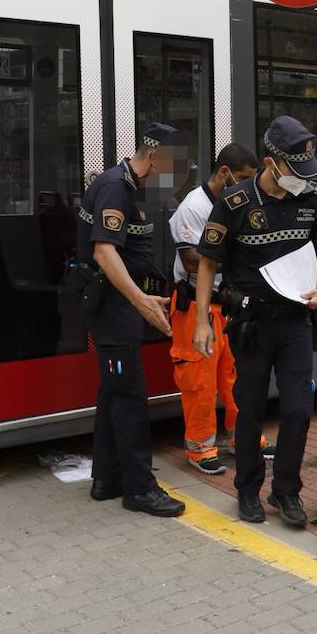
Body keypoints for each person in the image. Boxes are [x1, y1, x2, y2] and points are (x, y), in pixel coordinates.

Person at [192, 116, 317, 528]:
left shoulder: (312, 198)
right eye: (294, 170)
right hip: (251, 324)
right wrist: (202, 322)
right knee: (250, 410)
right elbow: (206, 263)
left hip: (296, 323)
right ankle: (248, 490)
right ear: (272, 163)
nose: (301, 179)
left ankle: (285, 491)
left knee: (298, 410)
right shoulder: (235, 202)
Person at [74, 123, 185, 518]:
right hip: (114, 306)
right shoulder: (116, 187)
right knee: (130, 398)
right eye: (175, 166)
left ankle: (106, 479)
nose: (177, 176)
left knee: (112, 392)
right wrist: (140, 302)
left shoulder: (129, 186)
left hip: (117, 303)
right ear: (154, 158)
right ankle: (140, 489)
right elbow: (104, 252)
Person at [167, 143, 262, 474]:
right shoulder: (193, 208)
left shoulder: (238, 203)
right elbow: (192, 261)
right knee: (199, 380)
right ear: (225, 173)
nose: (248, 185)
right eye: (244, 178)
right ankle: (200, 447)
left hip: (228, 305)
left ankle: (244, 439)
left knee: (236, 376)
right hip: (195, 305)